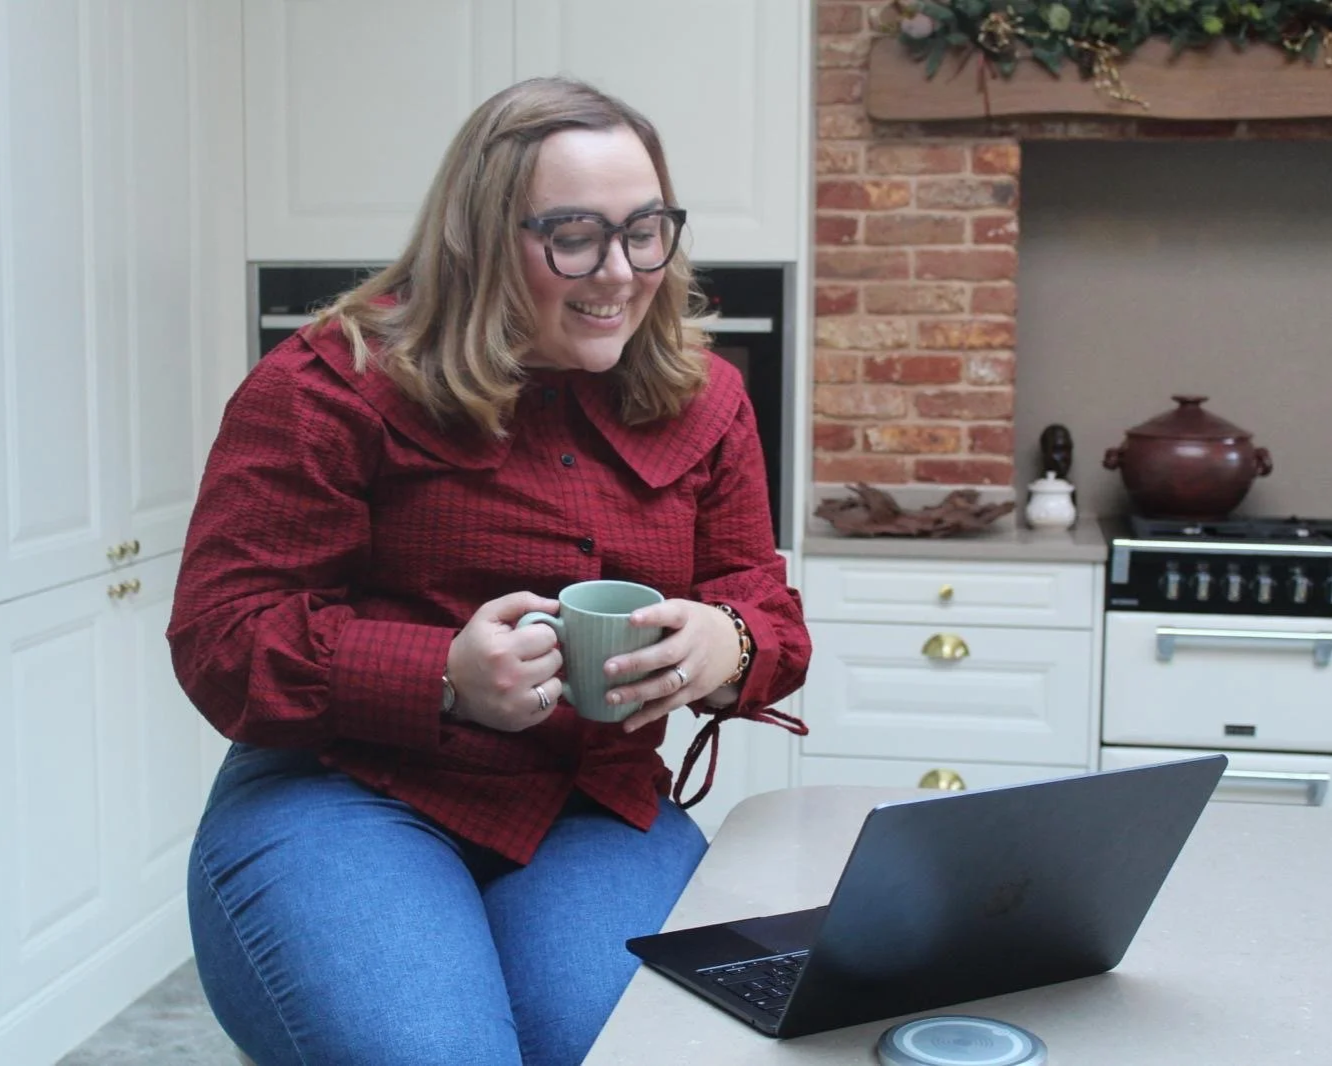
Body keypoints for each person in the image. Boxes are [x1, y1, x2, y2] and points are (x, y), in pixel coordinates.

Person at [167, 75, 811, 1066]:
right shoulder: (323, 386)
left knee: (639, 1051)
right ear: (478, 237)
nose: (620, 272)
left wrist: (724, 644)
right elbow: (222, 637)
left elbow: (760, 602)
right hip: (345, 793)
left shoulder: (711, 398)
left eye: (647, 230)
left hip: (590, 807)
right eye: (573, 235)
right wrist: (441, 675)